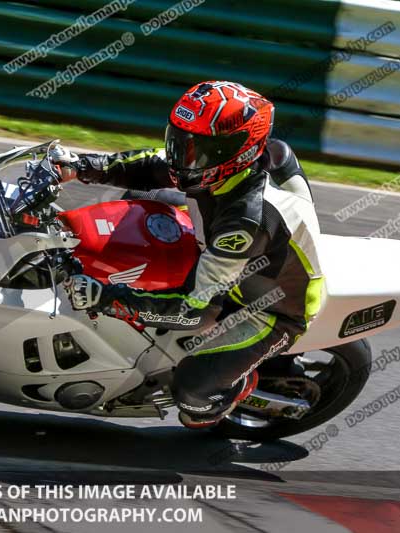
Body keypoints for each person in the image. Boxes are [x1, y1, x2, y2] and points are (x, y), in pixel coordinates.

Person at [51, 81, 325, 428]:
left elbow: (195, 311)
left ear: (235, 152)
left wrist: (108, 299)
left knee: (190, 395)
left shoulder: (245, 221)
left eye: (197, 147)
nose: (183, 155)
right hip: (232, 245)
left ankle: (234, 389)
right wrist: (82, 166)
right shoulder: (217, 167)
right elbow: (153, 164)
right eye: (180, 141)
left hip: (269, 307)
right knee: (135, 197)